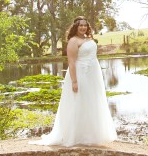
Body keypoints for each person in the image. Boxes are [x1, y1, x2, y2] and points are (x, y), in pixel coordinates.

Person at [35, 16, 118, 146]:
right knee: (78, 101)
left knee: (91, 102)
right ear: (76, 27)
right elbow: (72, 62)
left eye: (85, 25)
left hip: (92, 74)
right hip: (80, 74)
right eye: (80, 26)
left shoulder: (88, 39)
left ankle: (91, 135)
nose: (83, 27)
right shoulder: (73, 41)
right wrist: (74, 81)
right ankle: (75, 136)